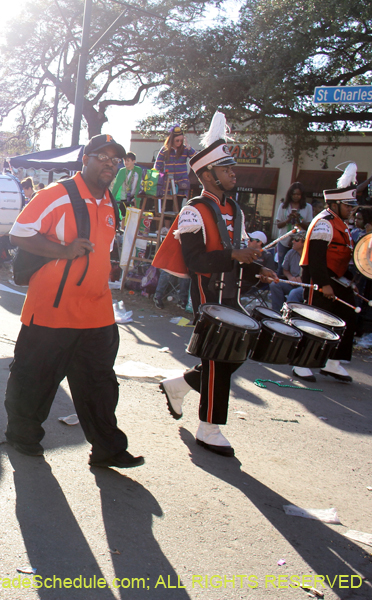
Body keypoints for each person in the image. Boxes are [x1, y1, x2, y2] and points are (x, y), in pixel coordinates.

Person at [2, 133, 143, 468]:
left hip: (96, 310)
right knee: (34, 378)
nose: (109, 164)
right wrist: (63, 251)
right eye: (102, 157)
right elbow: (19, 232)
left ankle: (107, 447)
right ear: (85, 159)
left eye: (114, 159)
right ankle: (22, 435)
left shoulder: (110, 200)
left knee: (100, 385)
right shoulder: (58, 194)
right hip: (52, 309)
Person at [154, 112, 276, 457]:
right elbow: (195, 263)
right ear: (208, 174)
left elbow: (239, 253)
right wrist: (236, 257)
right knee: (217, 360)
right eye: (227, 169)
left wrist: (258, 268)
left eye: (232, 168)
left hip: (232, 293)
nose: (233, 174)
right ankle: (209, 428)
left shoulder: (235, 209)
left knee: (236, 354)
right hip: (208, 295)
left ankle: (179, 385)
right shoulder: (194, 210)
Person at [292, 164, 360, 383]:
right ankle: (301, 362)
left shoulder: (341, 223)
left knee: (348, 314)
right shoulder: (324, 222)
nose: (352, 210)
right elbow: (316, 258)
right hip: (318, 278)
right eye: (348, 205)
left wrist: (349, 282)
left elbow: (343, 257)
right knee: (315, 319)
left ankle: (333, 362)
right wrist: (323, 284)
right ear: (336, 203)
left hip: (335, 278)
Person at [273, 182, 313, 263]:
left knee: (297, 266)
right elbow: (278, 225)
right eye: (294, 194)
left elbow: (309, 226)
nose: (296, 196)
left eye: (298, 194)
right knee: (281, 267)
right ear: (290, 194)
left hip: (299, 243)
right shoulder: (283, 206)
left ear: (302, 195)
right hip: (284, 241)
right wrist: (288, 219)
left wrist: (299, 220)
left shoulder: (308, 207)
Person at [153, 124, 196, 198]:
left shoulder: (185, 149)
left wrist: (189, 148)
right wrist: (155, 179)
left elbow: (195, 158)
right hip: (167, 183)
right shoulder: (164, 150)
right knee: (167, 206)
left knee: (178, 206)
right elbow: (157, 165)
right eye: (177, 140)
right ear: (172, 139)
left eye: (181, 140)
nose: (179, 142)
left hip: (181, 182)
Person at [269, 231, 307, 311]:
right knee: (274, 284)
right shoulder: (290, 253)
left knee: (294, 293)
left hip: (305, 287)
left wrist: (302, 279)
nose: (293, 241)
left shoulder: (311, 255)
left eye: (296, 240)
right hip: (292, 283)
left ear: (304, 243)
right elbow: (285, 270)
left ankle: (290, 317)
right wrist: (290, 277)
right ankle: (277, 313)